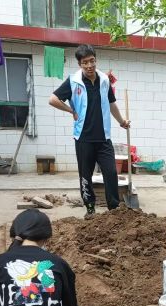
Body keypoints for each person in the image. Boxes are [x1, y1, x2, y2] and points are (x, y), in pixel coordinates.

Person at [49, 44, 130, 219]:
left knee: (111, 173)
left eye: (92, 61)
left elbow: (111, 103)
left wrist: (122, 121)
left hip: (103, 138)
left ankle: (114, 209)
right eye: (85, 62)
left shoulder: (104, 80)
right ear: (80, 64)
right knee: (85, 176)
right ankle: (90, 209)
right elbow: (53, 99)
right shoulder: (73, 81)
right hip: (84, 138)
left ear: (96, 60)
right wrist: (71, 111)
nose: (89, 66)